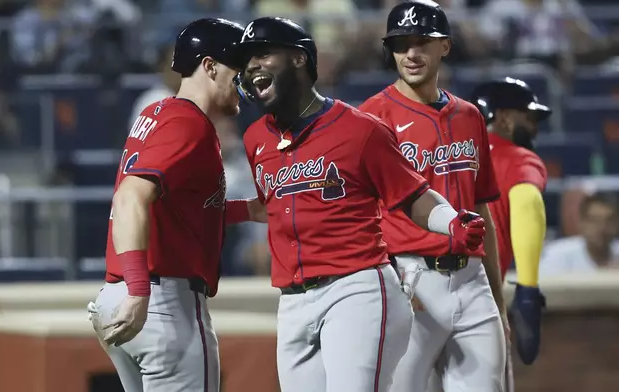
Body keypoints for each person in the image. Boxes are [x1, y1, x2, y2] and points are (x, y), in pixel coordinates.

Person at [232, 16, 488, 392]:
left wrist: (450, 223)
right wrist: (221, 211)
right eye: (248, 58)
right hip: (292, 301)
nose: (252, 64)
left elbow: (413, 194)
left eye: (263, 53)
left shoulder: (360, 129)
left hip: (356, 290)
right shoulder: (256, 138)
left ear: (300, 59)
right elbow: (276, 204)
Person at [86, 18, 265, 392]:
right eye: (239, 70)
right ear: (210, 66)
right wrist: (139, 291)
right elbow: (130, 196)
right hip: (159, 299)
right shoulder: (188, 124)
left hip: (119, 294)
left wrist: (247, 210)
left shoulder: (159, 113)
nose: (245, 82)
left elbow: (176, 208)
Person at [358, 1, 508, 391]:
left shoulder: (470, 115)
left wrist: (498, 298)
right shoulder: (372, 117)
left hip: (472, 281)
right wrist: (388, 287)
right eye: (401, 43)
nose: (410, 53)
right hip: (409, 277)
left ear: (445, 46)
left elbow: (480, 210)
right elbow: (360, 215)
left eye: (422, 42)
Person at [470, 77, 551, 390]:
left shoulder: (442, 157)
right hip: (478, 301)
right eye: (528, 118)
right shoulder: (518, 157)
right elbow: (527, 201)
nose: (534, 127)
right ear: (503, 118)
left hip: (411, 292)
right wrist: (528, 291)